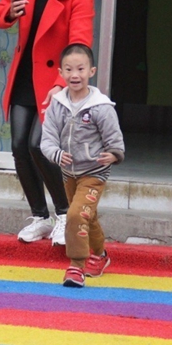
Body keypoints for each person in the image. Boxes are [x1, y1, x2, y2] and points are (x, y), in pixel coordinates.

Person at [0, 0, 95, 245]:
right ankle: (40, 216)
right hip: (25, 74)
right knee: (19, 146)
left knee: (40, 145)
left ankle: (64, 214)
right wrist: (11, 11)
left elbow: (79, 42)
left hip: (56, 80)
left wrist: (61, 82)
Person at [40, 44, 125, 288]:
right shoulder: (57, 104)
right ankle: (101, 255)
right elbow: (47, 140)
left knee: (76, 215)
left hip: (94, 173)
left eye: (80, 69)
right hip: (69, 173)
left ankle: (76, 266)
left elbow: (115, 139)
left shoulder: (101, 106)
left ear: (91, 71)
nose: (74, 75)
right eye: (68, 69)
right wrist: (56, 154)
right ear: (61, 73)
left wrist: (114, 155)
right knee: (87, 215)